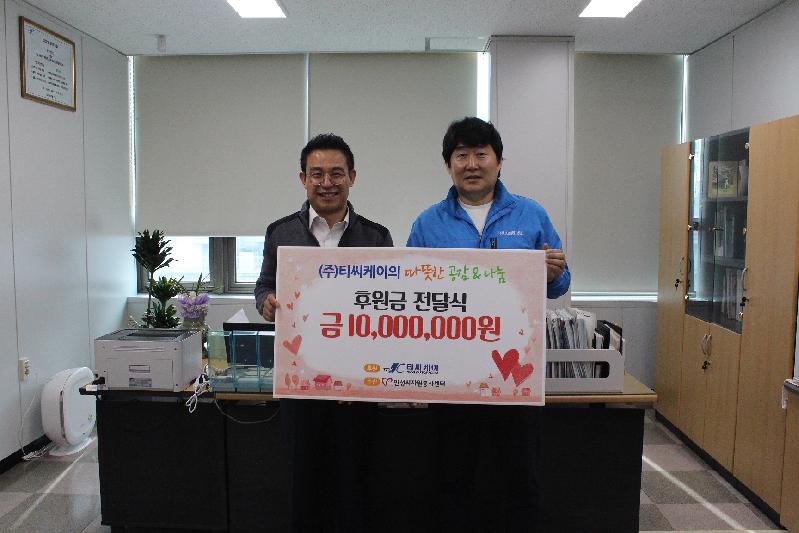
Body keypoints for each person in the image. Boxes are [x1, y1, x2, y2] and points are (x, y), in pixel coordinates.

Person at [406, 116, 570, 533]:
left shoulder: (530, 214)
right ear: (448, 165)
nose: (472, 164)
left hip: (515, 375)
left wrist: (554, 272)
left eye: (481, 154)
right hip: (450, 376)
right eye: (461, 155)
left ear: (498, 161)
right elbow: (409, 294)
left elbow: (559, 285)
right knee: (451, 478)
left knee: (519, 477)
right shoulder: (428, 223)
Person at [255, 133, 393, 533]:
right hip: (300, 385)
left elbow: (387, 305)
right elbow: (264, 285)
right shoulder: (280, 232)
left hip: (357, 385)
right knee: (303, 482)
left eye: (336, 173)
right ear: (303, 179)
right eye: (317, 174)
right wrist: (266, 302)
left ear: (352, 177)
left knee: (355, 483)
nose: (327, 182)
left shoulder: (376, 237)